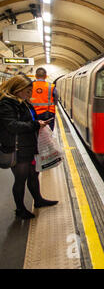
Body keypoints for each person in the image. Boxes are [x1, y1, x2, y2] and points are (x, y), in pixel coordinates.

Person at [0, 75, 58, 219]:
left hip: (28, 145)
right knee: (21, 179)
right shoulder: (6, 104)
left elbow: (28, 120)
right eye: (27, 91)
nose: (30, 94)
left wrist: (39, 121)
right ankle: (20, 210)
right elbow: (12, 126)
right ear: (17, 89)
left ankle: (38, 200)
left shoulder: (23, 102)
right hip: (17, 148)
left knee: (33, 174)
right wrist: (35, 124)